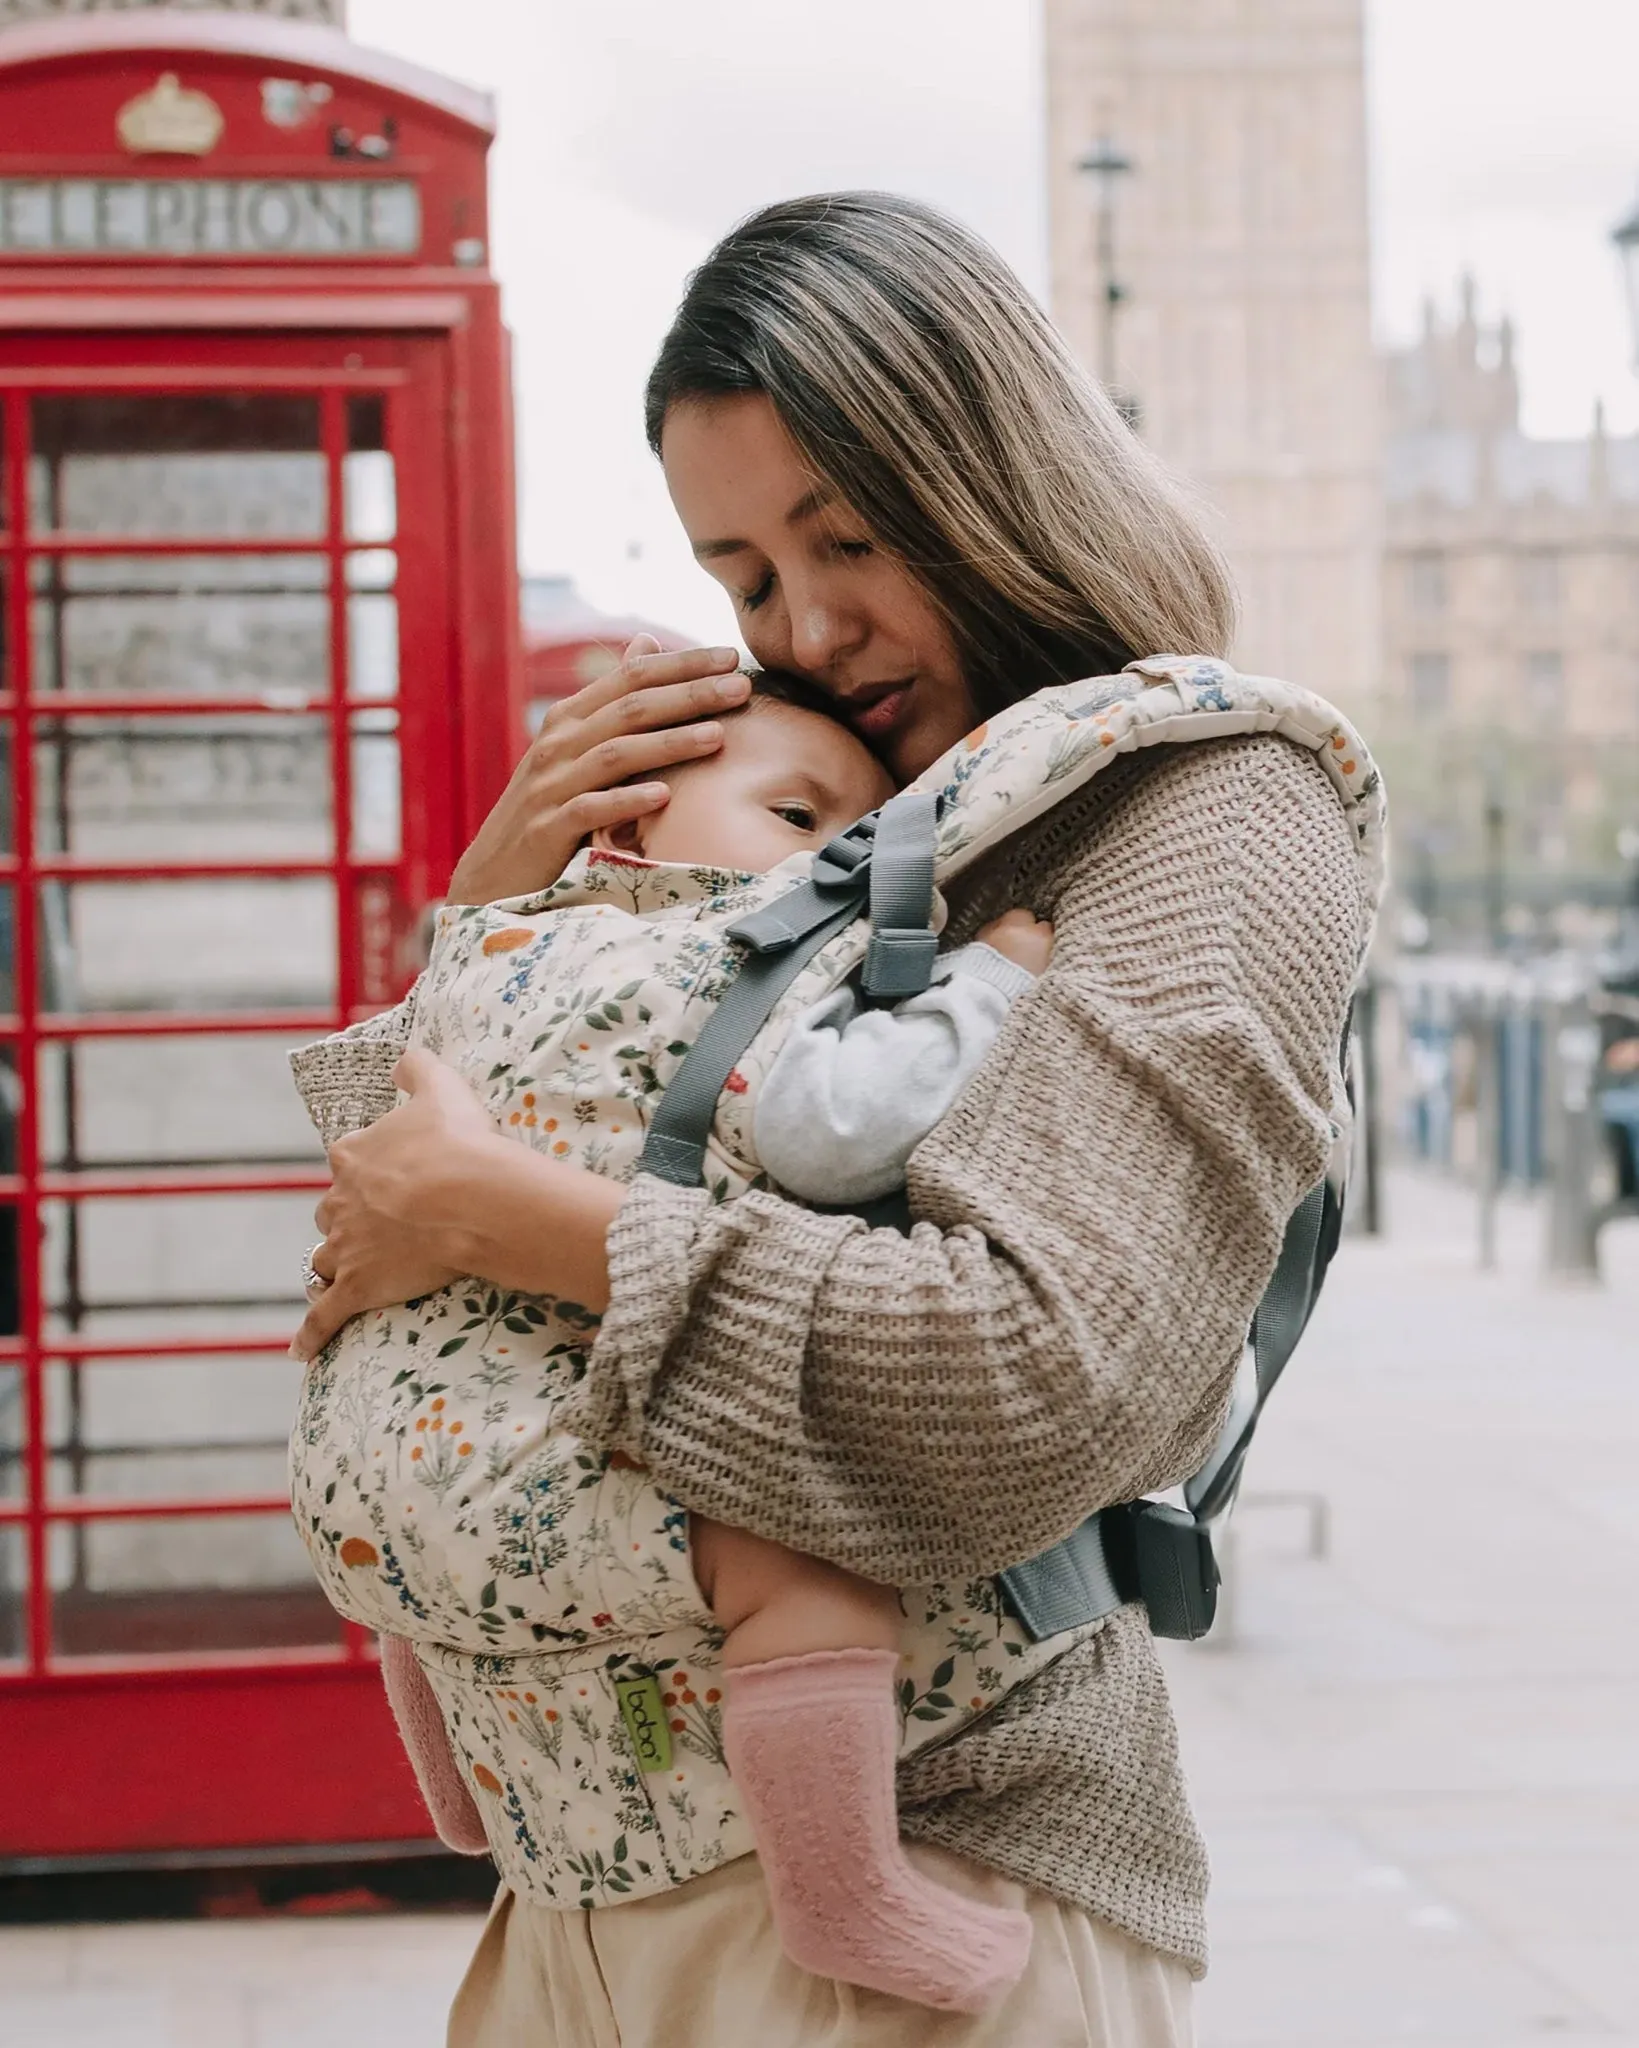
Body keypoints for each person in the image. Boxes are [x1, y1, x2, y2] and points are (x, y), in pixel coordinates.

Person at [293, 191, 1373, 2048]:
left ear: (994, 477)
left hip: (931, 1891)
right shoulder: (779, 804)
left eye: (848, 539)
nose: (805, 627)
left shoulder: (1198, 810)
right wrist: (498, 901)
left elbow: (1028, 1386)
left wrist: (522, 1220)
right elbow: (379, 1272)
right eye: (741, 578)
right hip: (565, 1893)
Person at [296, 670, 1055, 2012]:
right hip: (551, 1440)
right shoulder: (726, 965)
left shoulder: (494, 952)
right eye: (792, 813)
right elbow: (846, 1123)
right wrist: (991, 978)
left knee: (413, 1554)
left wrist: (470, 914)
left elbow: (372, 1128)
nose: (839, 860)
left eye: (863, 833)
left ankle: (473, 1799)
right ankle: (844, 1894)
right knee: (813, 1563)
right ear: (627, 837)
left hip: (369, 1451)